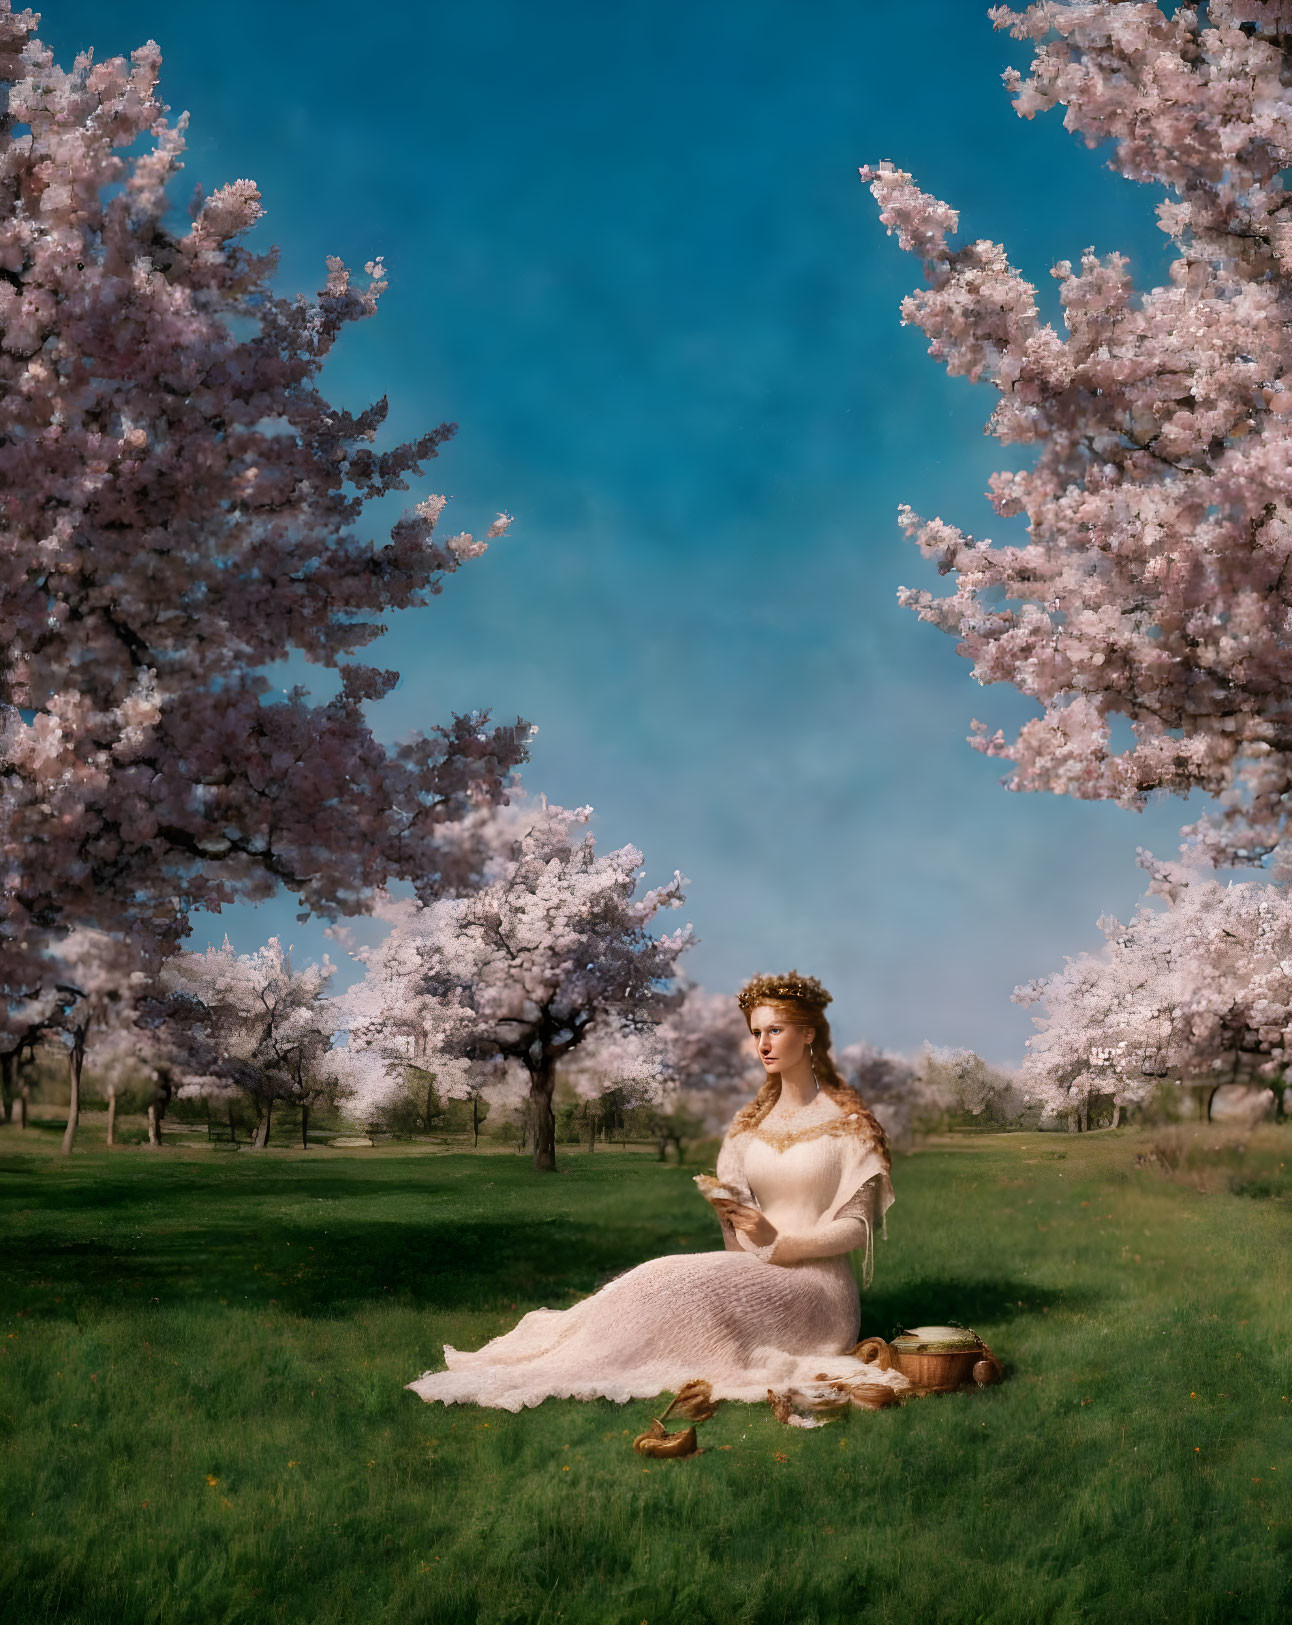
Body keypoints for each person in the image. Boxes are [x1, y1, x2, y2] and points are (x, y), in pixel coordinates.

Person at [406, 971, 904, 1410]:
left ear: (808, 1033)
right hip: (759, 1272)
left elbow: (855, 1229)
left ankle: (602, 1355)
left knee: (684, 1283)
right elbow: (738, 1233)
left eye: (776, 1030)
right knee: (659, 1276)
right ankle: (579, 1353)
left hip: (817, 1293)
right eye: (756, 1033)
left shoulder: (848, 1125)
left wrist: (780, 1241)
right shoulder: (748, 1127)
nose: (764, 1045)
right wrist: (735, 1230)